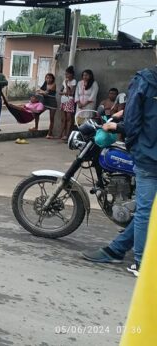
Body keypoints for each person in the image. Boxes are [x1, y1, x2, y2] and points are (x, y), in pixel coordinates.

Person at [82, 64, 157, 278]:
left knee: (143, 211)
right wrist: (123, 112)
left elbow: (133, 123)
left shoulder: (145, 79)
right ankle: (116, 249)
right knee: (149, 209)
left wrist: (114, 126)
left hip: (149, 156)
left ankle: (141, 262)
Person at [36, 73, 57, 138]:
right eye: (47, 78)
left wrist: (41, 92)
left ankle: (49, 133)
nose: (48, 79)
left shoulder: (54, 85)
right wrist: (41, 91)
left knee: (51, 118)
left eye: (50, 78)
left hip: (52, 103)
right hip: (45, 102)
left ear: (52, 79)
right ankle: (36, 127)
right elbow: (40, 90)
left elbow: (46, 93)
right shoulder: (45, 83)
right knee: (37, 113)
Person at [59, 66, 77, 140]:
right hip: (63, 100)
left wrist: (67, 85)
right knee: (64, 118)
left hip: (70, 100)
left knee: (69, 118)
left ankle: (67, 134)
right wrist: (64, 92)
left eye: (68, 74)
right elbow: (60, 92)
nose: (66, 76)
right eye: (65, 74)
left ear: (72, 74)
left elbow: (71, 93)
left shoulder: (74, 81)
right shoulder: (64, 80)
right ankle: (62, 133)